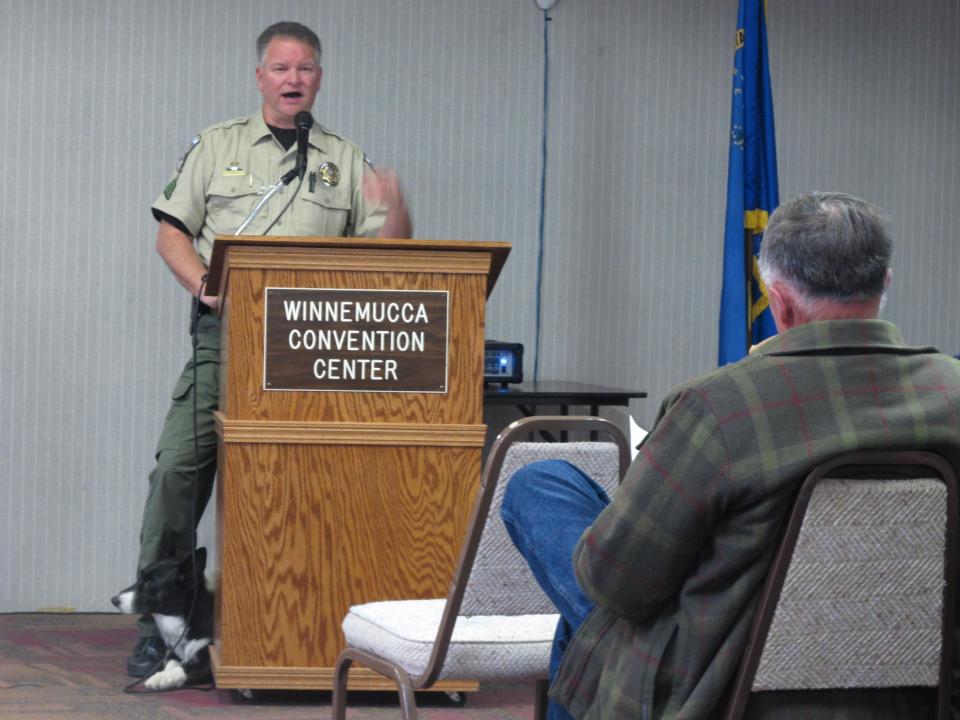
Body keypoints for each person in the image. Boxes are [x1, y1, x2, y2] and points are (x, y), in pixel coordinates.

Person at [501, 191, 960, 719]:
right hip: (913, 695)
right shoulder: (949, 394)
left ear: (779, 301)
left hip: (716, 691)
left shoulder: (720, 406)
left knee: (543, 490)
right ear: (885, 285)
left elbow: (618, 587)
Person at [127, 21, 412, 677]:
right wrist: (206, 287)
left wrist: (393, 207)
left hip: (313, 350)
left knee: (306, 486)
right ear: (261, 77)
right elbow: (172, 230)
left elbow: (390, 249)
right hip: (226, 342)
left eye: (305, 68)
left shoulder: (342, 158)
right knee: (177, 470)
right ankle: (160, 625)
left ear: (319, 79)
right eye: (281, 68)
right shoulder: (219, 144)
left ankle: (301, 623)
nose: (293, 79)